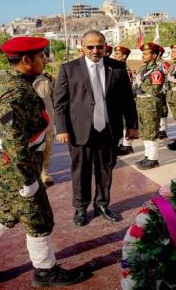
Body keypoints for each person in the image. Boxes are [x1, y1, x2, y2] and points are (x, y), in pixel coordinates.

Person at [0, 37, 85, 286]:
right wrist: (27, 180)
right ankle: (46, 271)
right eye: (41, 56)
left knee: (11, 211)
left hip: (6, 161)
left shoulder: (6, 80)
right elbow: (12, 139)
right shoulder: (15, 92)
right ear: (26, 60)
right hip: (12, 165)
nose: (45, 60)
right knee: (39, 217)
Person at [55, 30, 138, 226]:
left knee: (105, 170)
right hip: (79, 130)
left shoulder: (117, 67)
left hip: (108, 130)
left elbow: (127, 100)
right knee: (81, 171)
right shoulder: (69, 69)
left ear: (105, 46)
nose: (95, 50)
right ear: (82, 48)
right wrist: (61, 129)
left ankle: (102, 204)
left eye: (99, 46)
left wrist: (132, 125)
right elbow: (60, 103)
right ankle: (81, 208)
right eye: (90, 47)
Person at [130, 42, 165, 170]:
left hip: (151, 104)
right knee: (145, 132)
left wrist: (141, 84)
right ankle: (147, 156)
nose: (142, 56)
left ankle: (153, 159)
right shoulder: (143, 68)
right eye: (142, 53)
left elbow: (155, 90)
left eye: (146, 53)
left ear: (154, 55)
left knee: (151, 131)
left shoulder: (157, 71)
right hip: (141, 103)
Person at [33, 67, 55, 185]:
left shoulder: (47, 78)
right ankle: (32, 175)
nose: (44, 61)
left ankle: (44, 173)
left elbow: (55, 98)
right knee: (33, 151)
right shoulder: (20, 80)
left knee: (48, 149)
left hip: (48, 122)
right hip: (32, 125)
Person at [113, 45, 135, 155]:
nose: (115, 56)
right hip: (116, 100)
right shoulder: (116, 68)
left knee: (126, 123)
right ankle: (120, 144)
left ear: (124, 56)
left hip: (123, 100)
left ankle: (127, 145)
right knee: (119, 123)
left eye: (117, 54)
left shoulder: (125, 70)